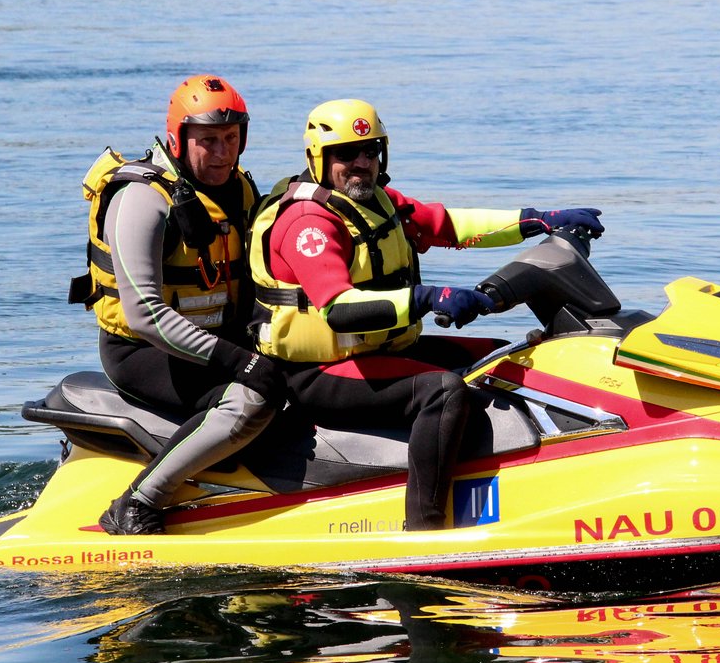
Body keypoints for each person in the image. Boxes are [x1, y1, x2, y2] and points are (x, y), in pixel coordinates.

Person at [247, 98, 604, 530]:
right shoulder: (308, 223)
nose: (361, 163)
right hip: (317, 372)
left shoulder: (377, 200)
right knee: (443, 391)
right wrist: (428, 297)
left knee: (505, 357)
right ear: (318, 158)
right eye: (346, 154)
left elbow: (448, 224)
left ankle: (539, 471)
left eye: (371, 151)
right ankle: (425, 524)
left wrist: (539, 220)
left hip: (379, 351)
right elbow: (340, 310)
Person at [68, 74, 283, 535]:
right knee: (253, 398)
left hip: (218, 339)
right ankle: (138, 502)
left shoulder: (239, 189)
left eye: (231, 138)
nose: (222, 152)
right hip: (143, 351)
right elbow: (145, 316)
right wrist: (238, 362)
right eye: (208, 140)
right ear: (178, 139)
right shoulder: (142, 200)